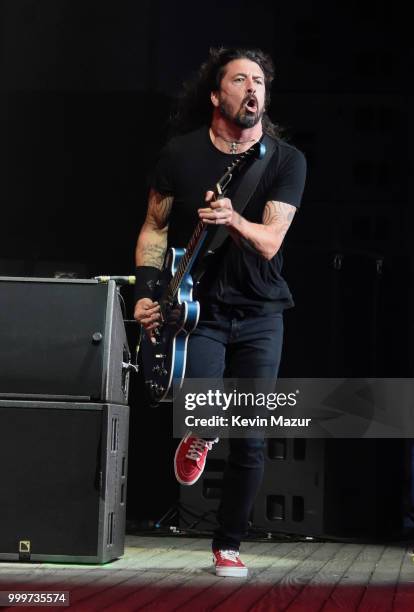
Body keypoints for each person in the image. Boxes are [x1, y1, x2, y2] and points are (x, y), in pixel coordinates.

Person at [134, 47, 306, 577]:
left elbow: (272, 241)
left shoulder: (284, 161)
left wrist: (233, 219)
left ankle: (228, 544)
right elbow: (154, 228)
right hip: (199, 309)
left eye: (260, 80)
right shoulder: (180, 155)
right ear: (216, 94)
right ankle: (201, 434)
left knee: (252, 434)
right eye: (240, 79)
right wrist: (144, 289)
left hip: (261, 310)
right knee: (203, 406)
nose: (253, 88)